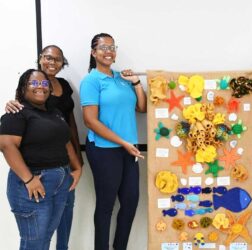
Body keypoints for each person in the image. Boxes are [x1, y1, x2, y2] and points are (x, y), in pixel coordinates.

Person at [5, 45, 83, 250]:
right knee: (35, 242)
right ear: (23, 88)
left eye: (44, 83)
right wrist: (29, 179)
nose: (40, 86)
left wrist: (77, 167)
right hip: (33, 183)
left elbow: (66, 138)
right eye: (35, 83)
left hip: (61, 179)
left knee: (44, 239)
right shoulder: (18, 112)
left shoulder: (54, 113)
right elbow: (7, 146)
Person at [80, 33, 147, 250]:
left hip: (129, 149)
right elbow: (90, 121)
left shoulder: (122, 77)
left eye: (112, 47)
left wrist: (136, 83)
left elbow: (142, 108)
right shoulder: (91, 81)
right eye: (103, 47)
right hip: (103, 150)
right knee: (106, 205)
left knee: (130, 203)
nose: (108, 51)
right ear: (93, 52)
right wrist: (123, 142)